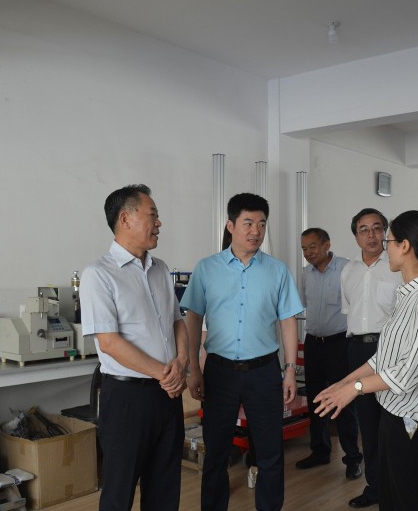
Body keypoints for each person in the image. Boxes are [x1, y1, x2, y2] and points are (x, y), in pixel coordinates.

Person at [314, 210, 418, 511]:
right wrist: (343, 384)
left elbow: (407, 373)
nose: (385, 246)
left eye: (390, 240)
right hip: (393, 412)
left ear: (405, 246)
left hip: (414, 421)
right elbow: (382, 358)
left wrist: (355, 388)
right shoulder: (407, 295)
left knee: (410, 499)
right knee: (392, 497)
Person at [181, 192, 304, 511]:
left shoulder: (277, 271)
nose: (255, 231)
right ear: (230, 225)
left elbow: (288, 321)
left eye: (262, 224)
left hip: (264, 373)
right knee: (216, 452)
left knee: (270, 452)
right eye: (248, 223)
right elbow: (193, 319)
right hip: (219, 372)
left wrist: (290, 370)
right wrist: (193, 368)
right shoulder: (207, 268)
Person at [79, 184, 189, 511]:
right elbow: (109, 342)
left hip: (167, 396)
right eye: (152, 215)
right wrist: (166, 375)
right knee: (119, 491)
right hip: (128, 398)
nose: (159, 223)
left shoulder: (161, 269)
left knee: (165, 488)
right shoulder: (99, 274)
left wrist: (182, 362)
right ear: (126, 219)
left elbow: (176, 322)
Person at [339, 208, 403, 508]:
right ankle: (375, 487)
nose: (371, 235)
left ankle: (396, 487)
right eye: (364, 229)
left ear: (386, 232)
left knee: (393, 421)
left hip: (391, 350)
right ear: (356, 235)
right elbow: (349, 311)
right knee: (368, 422)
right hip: (358, 349)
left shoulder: (397, 267)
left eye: (377, 228)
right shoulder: (348, 270)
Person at [295, 228, 362, 480]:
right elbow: (303, 304)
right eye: (304, 249)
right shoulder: (306, 275)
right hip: (313, 343)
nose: (308, 253)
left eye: (312, 247)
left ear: (326, 245)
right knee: (315, 399)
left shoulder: (347, 269)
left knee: (344, 403)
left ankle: (352, 458)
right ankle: (320, 451)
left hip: (339, 345)